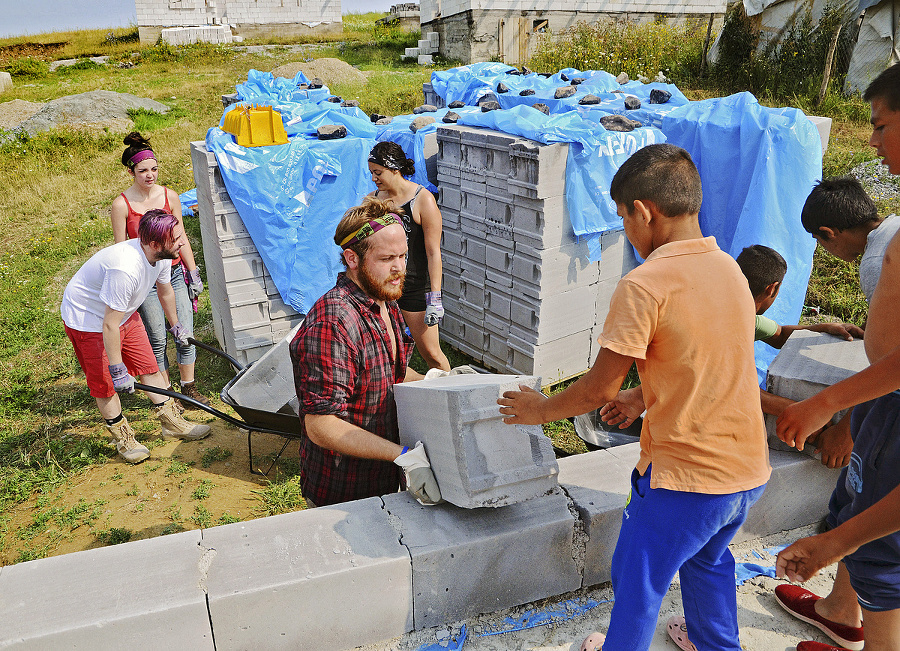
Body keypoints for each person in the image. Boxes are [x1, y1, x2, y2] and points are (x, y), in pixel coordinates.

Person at [498, 144, 771, 650]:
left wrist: (538, 410)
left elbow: (597, 387)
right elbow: (706, 359)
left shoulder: (645, 284)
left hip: (685, 479)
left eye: (623, 217)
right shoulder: (730, 269)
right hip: (746, 472)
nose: (626, 229)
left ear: (644, 212)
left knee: (637, 585)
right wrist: (641, 397)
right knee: (708, 564)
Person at [773, 63, 900, 651]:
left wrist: (837, 411)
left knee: (875, 540)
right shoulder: (892, 229)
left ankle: (859, 620)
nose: (871, 141)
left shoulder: (882, 257)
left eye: (880, 125)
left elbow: (895, 358)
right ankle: (840, 611)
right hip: (880, 407)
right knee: (858, 501)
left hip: (887, 409)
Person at [289, 196, 441, 508]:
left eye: (403, 256)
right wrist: (402, 456)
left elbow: (387, 373)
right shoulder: (334, 323)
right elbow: (320, 425)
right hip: (344, 488)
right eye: (387, 259)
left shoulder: (384, 299)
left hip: (383, 477)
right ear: (352, 258)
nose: (399, 268)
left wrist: (434, 380)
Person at [61, 209, 211, 464]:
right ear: (154, 244)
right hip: (89, 320)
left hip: (122, 311)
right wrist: (117, 367)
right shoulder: (125, 269)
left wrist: (176, 326)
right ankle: (123, 438)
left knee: (148, 365)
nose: (183, 242)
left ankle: (171, 423)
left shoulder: (163, 256)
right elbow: (109, 325)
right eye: (176, 239)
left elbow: (165, 291)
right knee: (105, 382)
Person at [111, 132, 209, 408]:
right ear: (131, 171)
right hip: (145, 282)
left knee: (184, 332)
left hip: (173, 274)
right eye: (142, 170)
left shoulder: (169, 196)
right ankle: (167, 394)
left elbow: (181, 238)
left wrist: (193, 271)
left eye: (154, 169)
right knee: (156, 337)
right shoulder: (122, 205)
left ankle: (188, 389)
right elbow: (121, 250)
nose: (149, 175)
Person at [366, 140, 450, 371]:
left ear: (395, 169)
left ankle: (454, 396)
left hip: (413, 287)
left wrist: (435, 297)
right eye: (372, 173)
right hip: (383, 285)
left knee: (432, 354)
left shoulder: (423, 200)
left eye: (378, 172)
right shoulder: (372, 200)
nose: (374, 178)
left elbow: (433, 252)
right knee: (387, 351)